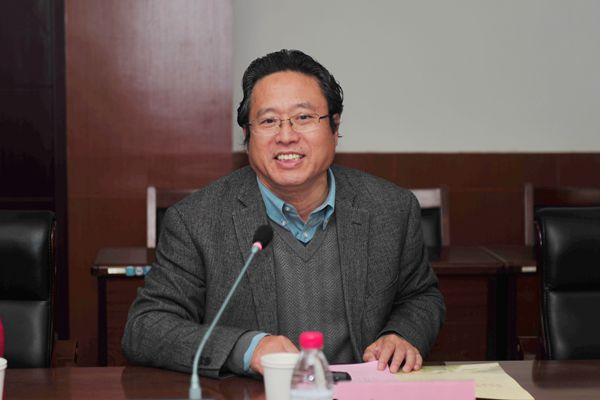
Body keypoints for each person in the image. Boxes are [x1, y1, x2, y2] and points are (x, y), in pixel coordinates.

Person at [122, 49, 445, 378]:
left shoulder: (390, 208)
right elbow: (147, 327)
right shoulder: (196, 221)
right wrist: (246, 349)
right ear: (247, 136)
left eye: (303, 117)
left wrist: (401, 335)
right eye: (268, 121)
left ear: (335, 128)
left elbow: (420, 296)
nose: (286, 136)